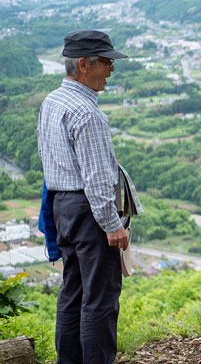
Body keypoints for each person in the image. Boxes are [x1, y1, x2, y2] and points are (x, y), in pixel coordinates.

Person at [37, 30, 129, 363]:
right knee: (101, 298)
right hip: (89, 211)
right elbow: (96, 178)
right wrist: (112, 224)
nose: (111, 70)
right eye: (106, 62)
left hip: (62, 206)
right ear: (83, 65)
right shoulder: (87, 114)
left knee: (73, 291)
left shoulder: (53, 101)